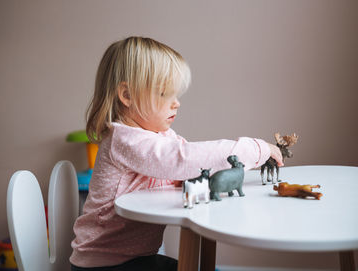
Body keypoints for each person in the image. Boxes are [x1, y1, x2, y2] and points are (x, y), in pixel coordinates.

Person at [70, 36, 284, 271]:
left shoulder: (159, 136)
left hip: (136, 258)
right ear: (127, 96)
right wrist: (257, 149)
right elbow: (184, 158)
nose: (176, 103)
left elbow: (191, 165)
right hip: (104, 265)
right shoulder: (124, 139)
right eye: (164, 94)